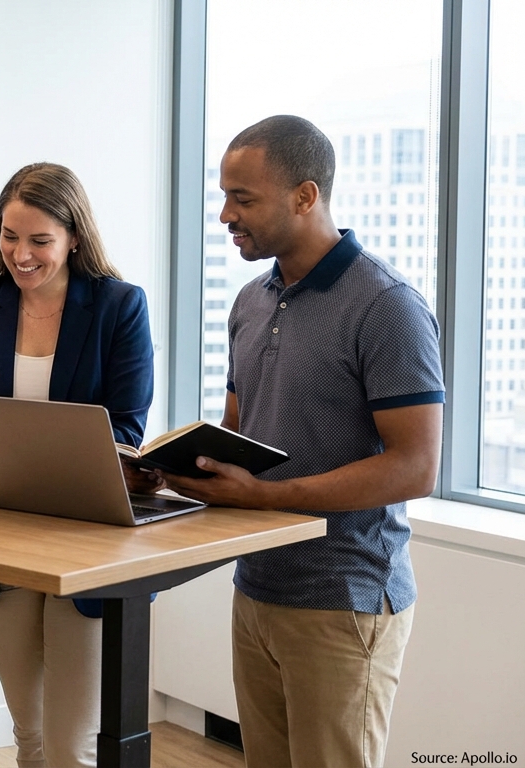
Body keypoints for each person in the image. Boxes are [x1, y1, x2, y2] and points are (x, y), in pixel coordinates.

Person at [159, 115, 443, 768]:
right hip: (257, 586)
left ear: (305, 196)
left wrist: (265, 498)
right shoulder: (249, 303)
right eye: (224, 195)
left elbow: (416, 466)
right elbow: (239, 434)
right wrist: (173, 470)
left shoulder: (386, 306)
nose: (226, 214)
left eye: (244, 198)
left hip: (344, 600)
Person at [0, 162, 156, 768]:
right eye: (9, 236)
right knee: (28, 736)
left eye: (39, 241)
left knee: (70, 748)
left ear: (75, 236)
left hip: (83, 538)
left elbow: (127, 428)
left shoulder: (119, 306)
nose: (20, 255)